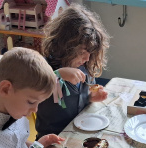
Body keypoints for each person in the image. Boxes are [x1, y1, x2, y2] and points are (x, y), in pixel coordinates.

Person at [35, 4, 110, 139]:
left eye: (90, 53)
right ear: (66, 46)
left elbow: (79, 100)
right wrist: (57, 75)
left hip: (78, 134)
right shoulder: (43, 67)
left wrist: (90, 97)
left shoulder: (85, 67)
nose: (87, 58)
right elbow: (33, 88)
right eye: (82, 52)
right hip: (51, 140)